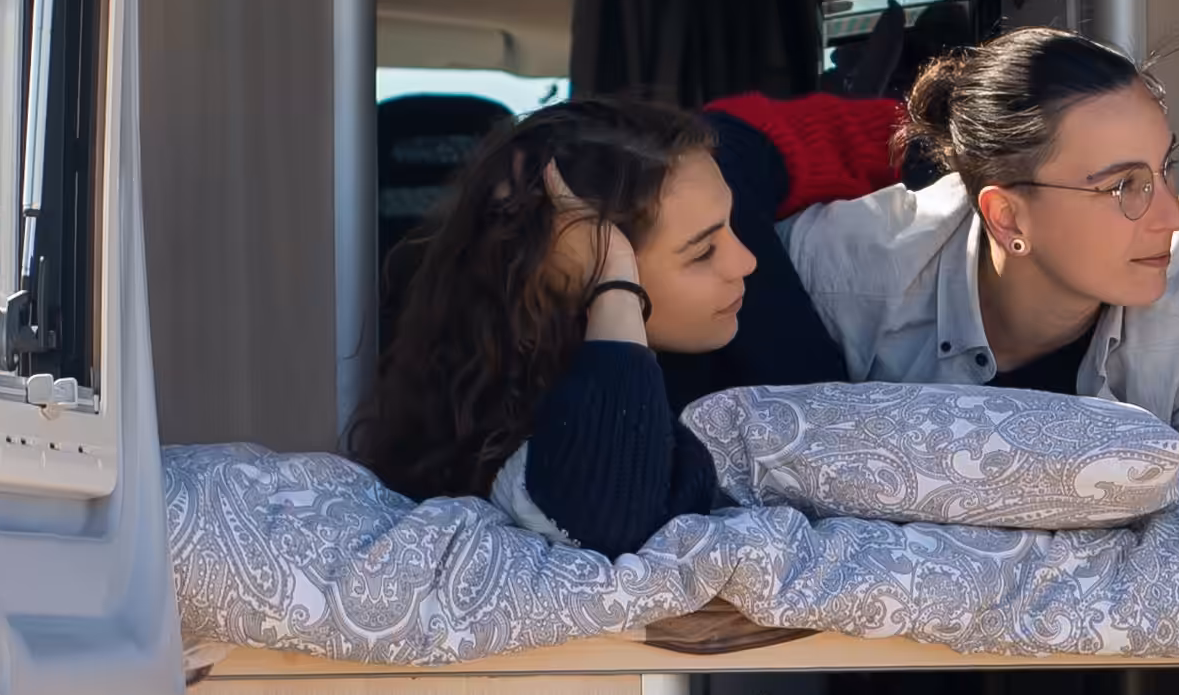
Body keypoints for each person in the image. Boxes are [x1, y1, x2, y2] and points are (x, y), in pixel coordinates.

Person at [786, 27, 1179, 520]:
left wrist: (1050, 469)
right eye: (1124, 186)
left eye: (1163, 169)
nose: (1172, 218)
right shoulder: (844, 270)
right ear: (1007, 216)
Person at [348, 97, 834, 553]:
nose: (747, 261)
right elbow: (616, 518)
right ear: (570, 277)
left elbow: (759, 137)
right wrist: (614, 281)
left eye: (734, 226)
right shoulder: (529, 440)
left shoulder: (710, 317)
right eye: (703, 251)